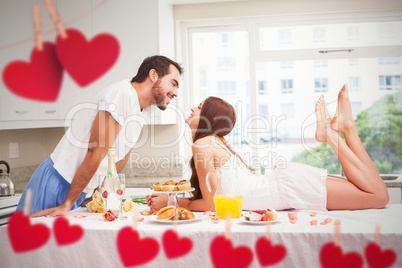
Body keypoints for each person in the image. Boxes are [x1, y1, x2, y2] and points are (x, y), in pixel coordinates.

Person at [147, 84, 389, 212]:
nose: (191, 109)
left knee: (378, 196)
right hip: (286, 185)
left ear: (209, 116)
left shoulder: (203, 144)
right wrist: (174, 198)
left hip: (286, 188)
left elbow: (209, 205)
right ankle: (347, 129)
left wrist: (172, 202)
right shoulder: (214, 143)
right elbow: (213, 198)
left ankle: (336, 133)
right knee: (376, 193)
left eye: (199, 107)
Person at [17, 55, 183, 217]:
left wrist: (101, 193)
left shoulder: (145, 109)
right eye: (173, 84)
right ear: (153, 75)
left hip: (78, 191)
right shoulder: (121, 94)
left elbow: (120, 156)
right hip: (57, 181)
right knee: (29, 241)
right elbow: (96, 152)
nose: (175, 93)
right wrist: (67, 204)